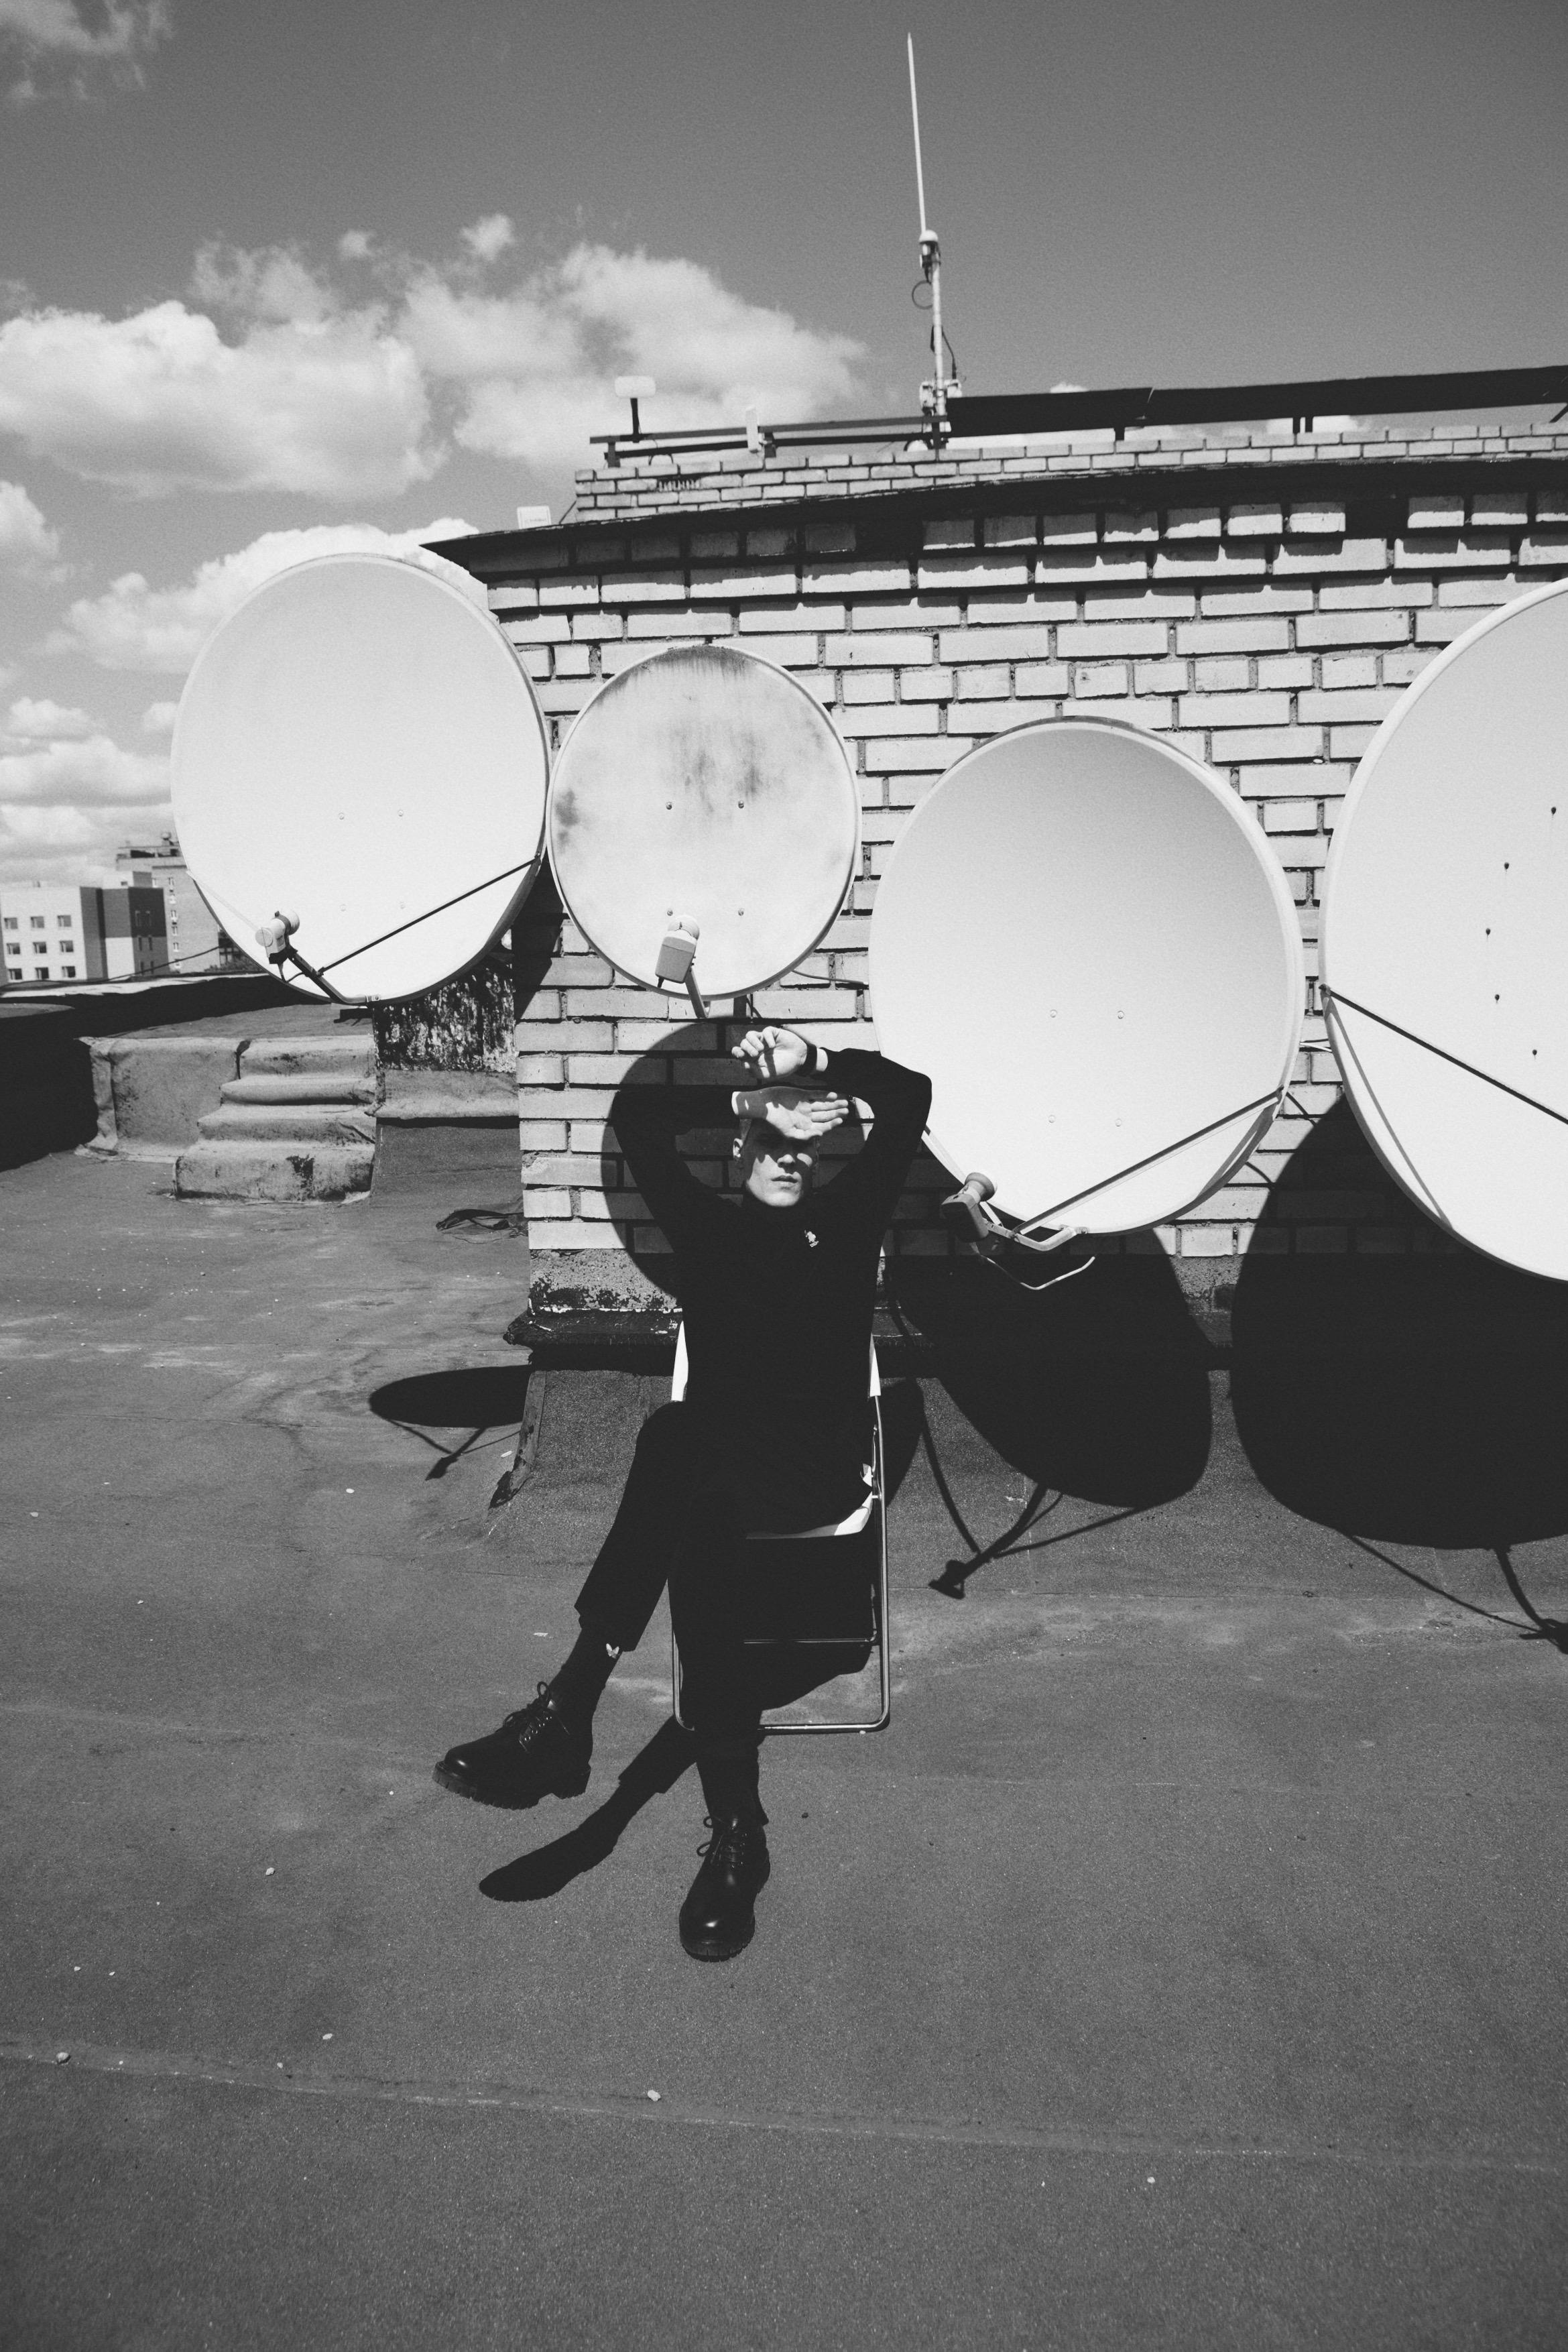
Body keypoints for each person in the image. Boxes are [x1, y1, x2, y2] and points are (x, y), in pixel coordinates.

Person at [435, 1022, 932, 1961]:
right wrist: (740, 1099)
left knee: (678, 1444)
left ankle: (567, 1713)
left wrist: (814, 1066)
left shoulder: (851, 1217)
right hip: (716, 1481)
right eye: (771, 1143)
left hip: (812, 1470)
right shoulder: (704, 1226)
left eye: (803, 1146)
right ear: (743, 1147)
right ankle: (738, 1834)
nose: (791, 1159)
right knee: (699, 1518)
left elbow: (911, 1095)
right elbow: (640, 1121)